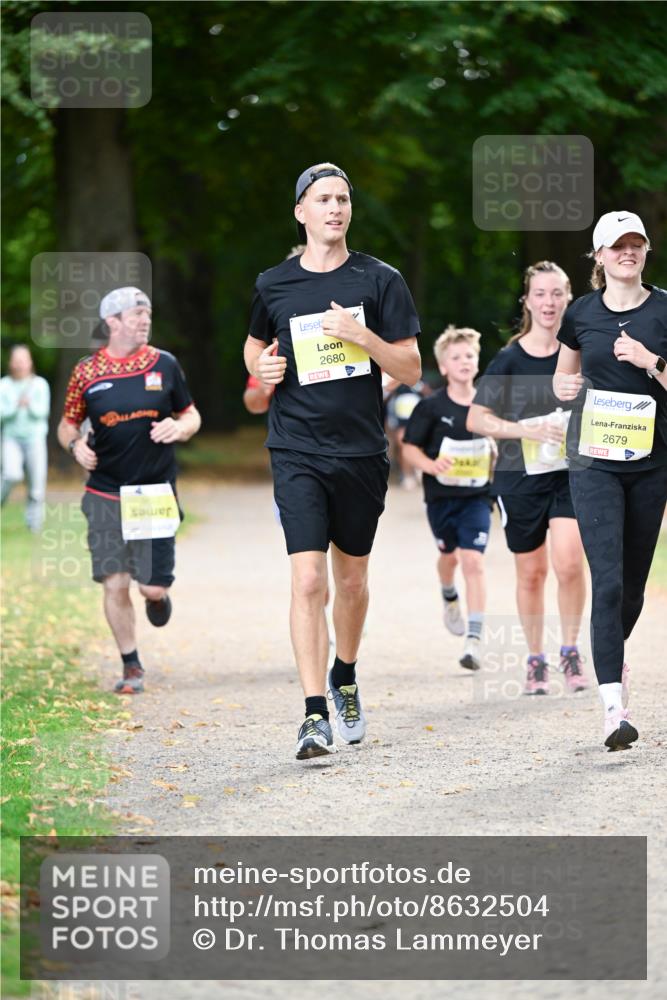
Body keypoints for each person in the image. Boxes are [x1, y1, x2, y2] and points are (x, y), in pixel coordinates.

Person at [244, 162, 421, 760]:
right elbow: (253, 343)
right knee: (308, 578)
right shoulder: (274, 284)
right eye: (323, 199)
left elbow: (411, 368)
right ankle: (313, 713)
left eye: (343, 199)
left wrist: (360, 336)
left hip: (362, 452)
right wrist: (260, 367)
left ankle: (345, 674)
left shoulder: (380, 280)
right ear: (301, 211)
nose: (335, 208)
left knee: (351, 580)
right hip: (295, 448)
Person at [553, 211, 667, 750]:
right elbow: (563, 373)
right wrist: (564, 390)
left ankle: (609, 657)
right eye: (617, 246)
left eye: (636, 244)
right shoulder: (580, 314)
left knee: (634, 588)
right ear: (598, 256)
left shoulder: (665, 309)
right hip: (593, 459)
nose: (628, 252)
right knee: (609, 578)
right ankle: (613, 708)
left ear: (645, 252)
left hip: (651, 461)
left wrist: (653, 361)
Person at [57, 287, 201, 694]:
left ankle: (156, 598)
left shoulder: (164, 364)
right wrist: (75, 445)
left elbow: (191, 414)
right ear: (112, 322)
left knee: (151, 586)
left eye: (147, 313)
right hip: (104, 493)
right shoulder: (87, 372)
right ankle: (131, 665)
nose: (144, 320)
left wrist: (181, 427)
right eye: (137, 313)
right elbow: (67, 423)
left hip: (154, 494)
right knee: (114, 582)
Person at [467, 261, 588, 695]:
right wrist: (525, 429)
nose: (549, 302)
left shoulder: (581, 353)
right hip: (519, 477)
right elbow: (477, 418)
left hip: (571, 474)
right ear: (528, 301)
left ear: (568, 298)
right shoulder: (510, 358)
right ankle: (536, 658)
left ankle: (570, 651)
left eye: (557, 293)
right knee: (532, 572)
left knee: (570, 562)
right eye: (540, 294)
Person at [402, 325, 493, 671]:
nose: (464, 361)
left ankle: (474, 639)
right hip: (441, 498)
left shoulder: (490, 403)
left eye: (469, 355)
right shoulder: (429, 407)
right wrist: (431, 464)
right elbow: (409, 448)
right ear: (443, 367)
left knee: (473, 561)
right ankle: (447, 591)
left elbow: (505, 440)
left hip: (477, 497)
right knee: (450, 556)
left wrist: (498, 450)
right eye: (456, 357)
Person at [1, 345, 50, 532]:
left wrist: (29, 405)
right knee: (11, 474)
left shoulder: (40, 384)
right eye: (16, 361)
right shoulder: (4, 385)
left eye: (23, 360)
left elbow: (42, 412)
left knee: (36, 487)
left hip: (35, 439)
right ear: (11, 364)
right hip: (11, 438)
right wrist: (16, 406)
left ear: (30, 363)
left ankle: (34, 526)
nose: (20, 364)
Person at [384, 378, 428, 490]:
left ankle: (418, 469)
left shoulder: (418, 380)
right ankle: (408, 475)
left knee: (419, 444)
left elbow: (428, 393)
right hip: (399, 421)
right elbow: (384, 396)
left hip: (417, 419)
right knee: (403, 446)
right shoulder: (392, 381)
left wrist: (418, 385)